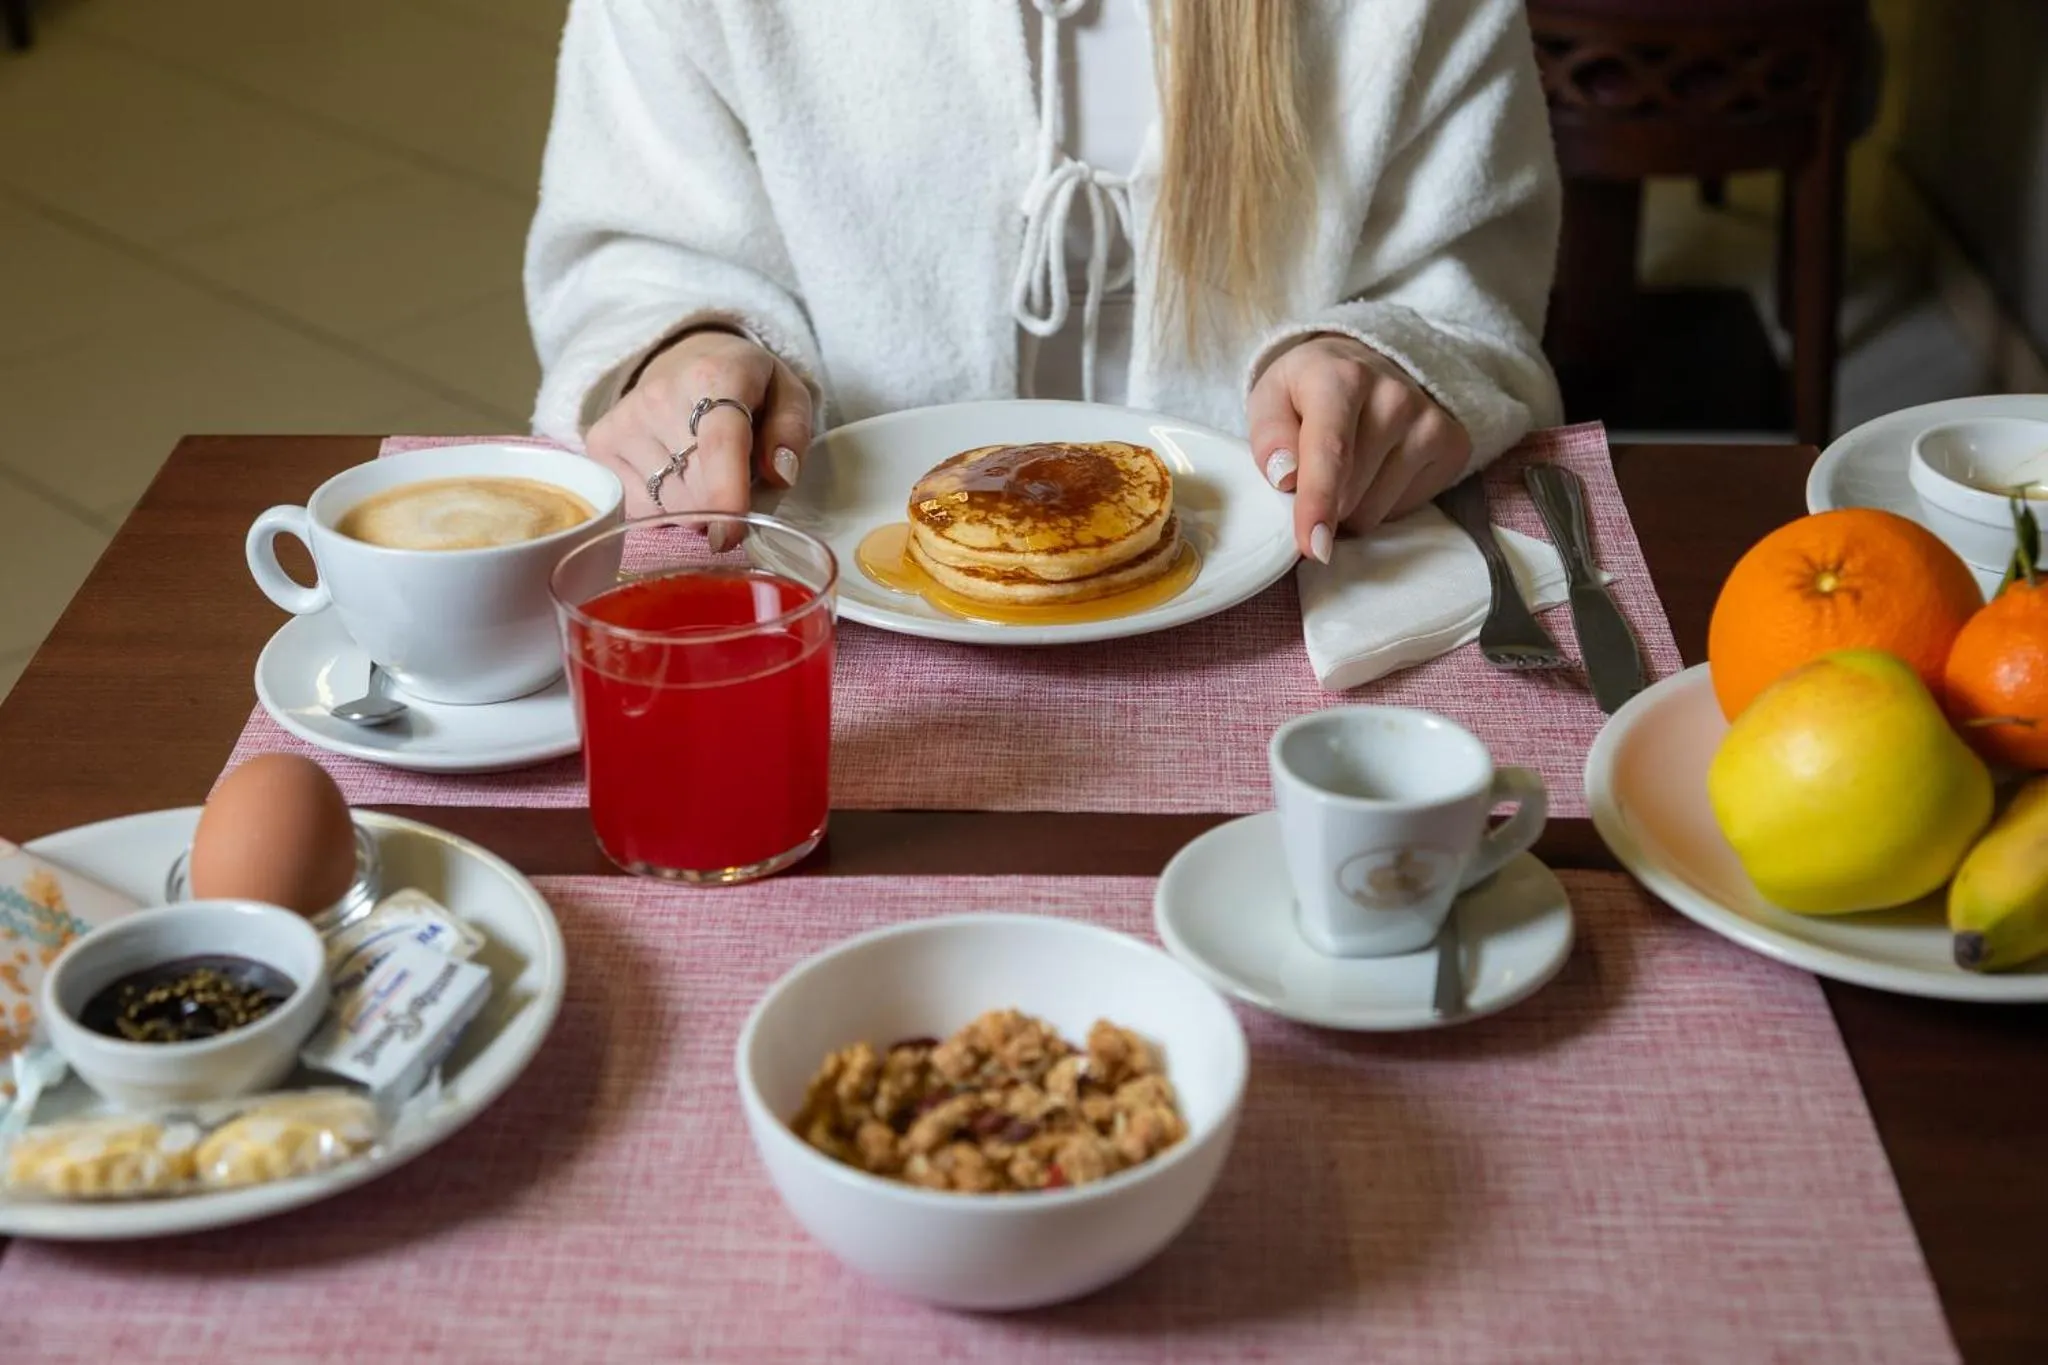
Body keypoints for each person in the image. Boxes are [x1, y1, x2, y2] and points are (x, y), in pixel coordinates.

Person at [525, 0, 1561, 563]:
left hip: (1290, 592)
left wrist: (1378, 362)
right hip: (831, 595)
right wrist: (691, 347)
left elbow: (1466, 277)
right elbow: (641, 243)